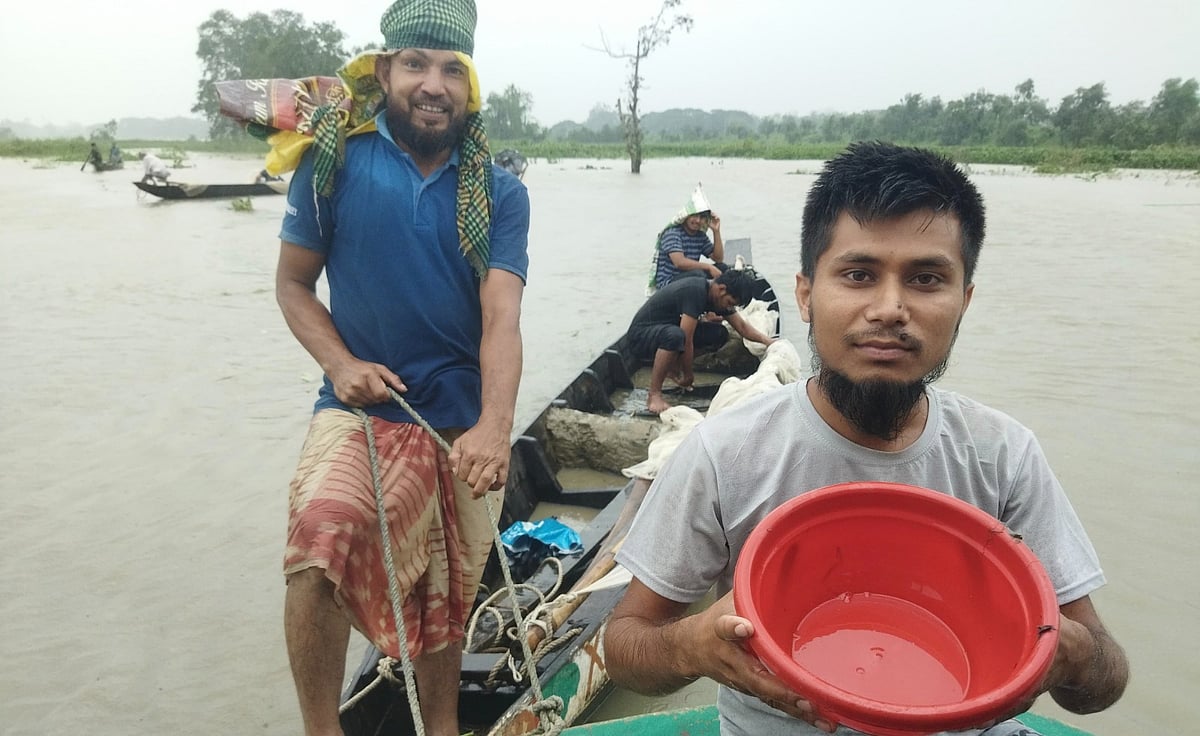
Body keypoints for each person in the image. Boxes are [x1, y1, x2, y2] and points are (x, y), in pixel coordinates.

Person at [605, 141, 1129, 735]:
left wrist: (1069, 653)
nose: (889, 309)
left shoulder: (1002, 456)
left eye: (927, 279)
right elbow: (625, 646)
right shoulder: (726, 453)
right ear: (806, 294)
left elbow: (1105, 679)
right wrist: (693, 646)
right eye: (858, 275)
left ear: (964, 302)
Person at [273, 1, 530, 735]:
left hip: (457, 419)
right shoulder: (332, 163)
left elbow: (501, 318)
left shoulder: (500, 193)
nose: (433, 85)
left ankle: (441, 726)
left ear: (468, 86)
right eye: (416, 64)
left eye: (451, 69)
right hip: (359, 408)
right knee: (319, 540)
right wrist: (340, 362)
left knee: (442, 596)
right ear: (385, 72)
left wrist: (495, 427)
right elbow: (293, 285)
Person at [626, 269, 776, 414]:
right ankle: (654, 395)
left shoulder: (717, 298)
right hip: (640, 336)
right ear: (721, 289)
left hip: (666, 330)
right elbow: (687, 340)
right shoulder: (696, 291)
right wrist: (688, 373)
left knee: (719, 334)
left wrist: (768, 341)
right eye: (729, 303)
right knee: (675, 336)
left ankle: (671, 366)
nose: (729, 307)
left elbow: (742, 327)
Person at [650, 184, 727, 289]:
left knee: (722, 268)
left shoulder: (700, 236)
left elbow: (718, 259)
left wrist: (716, 231)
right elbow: (679, 262)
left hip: (688, 279)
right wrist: (708, 267)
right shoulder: (672, 233)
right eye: (694, 216)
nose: (698, 220)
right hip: (668, 284)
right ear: (686, 216)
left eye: (702, 217)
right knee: (698, 275)